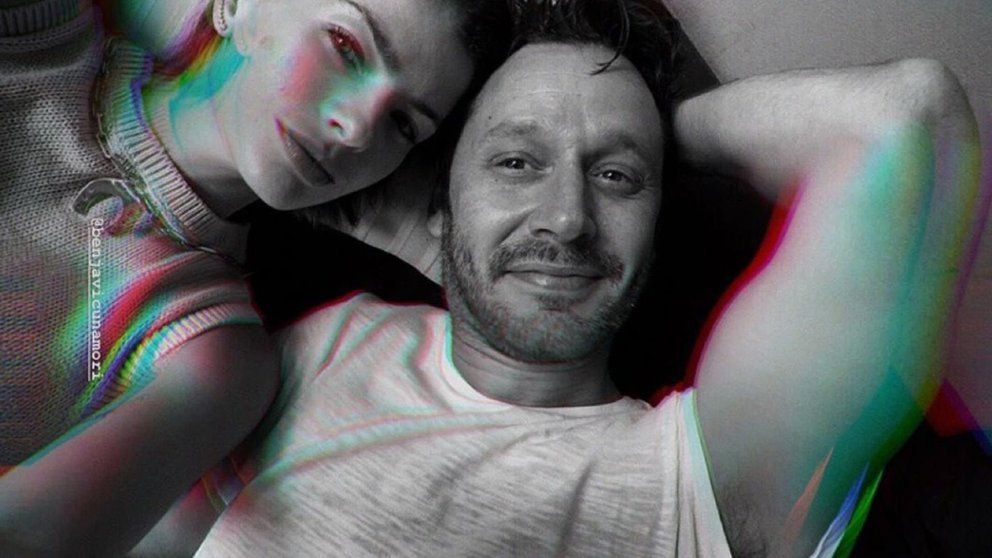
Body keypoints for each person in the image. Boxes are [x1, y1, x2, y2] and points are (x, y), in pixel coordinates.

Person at [187, 0, 984, 555]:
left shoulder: (713, 476)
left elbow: (910, 117)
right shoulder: (305, 348)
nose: (567, 217)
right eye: (515, 162)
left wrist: (658, 134)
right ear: (441, 203)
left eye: (615, 177)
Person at [0, 0, 509, 553]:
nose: (358, 128)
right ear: (236, 7)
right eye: (346, 47)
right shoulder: (43, 34)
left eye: (403, 123)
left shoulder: (211, 350)